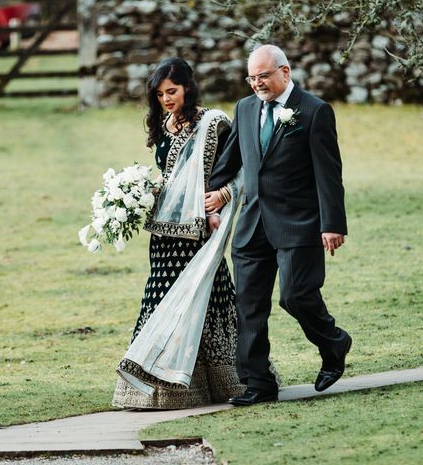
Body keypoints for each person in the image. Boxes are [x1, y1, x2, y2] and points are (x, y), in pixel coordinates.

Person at [207, 44, 352, 406]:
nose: (257, 84)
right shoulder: (244, 108)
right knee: (249, 305)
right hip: (252, 223)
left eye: (264, 76)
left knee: (295, 296)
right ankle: (258, 383)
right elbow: (230, 161)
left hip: (298, 222)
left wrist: (332, 224)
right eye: (252, 78)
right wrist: (204, 197)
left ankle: (334, 343)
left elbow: (329, 175)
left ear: (284, 72)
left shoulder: (315, 112)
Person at [112, 57, 245, 409]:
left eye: (172, 91)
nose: (166, 99)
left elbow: (241, 167)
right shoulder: (164, 125)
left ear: (188, 87)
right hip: (164, 234)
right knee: (160, 296)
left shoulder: (213, 123)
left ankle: (224, 380)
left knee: (207, 297)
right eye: (159, 94)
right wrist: (140, 194)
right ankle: (162, 389)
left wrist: (222, 196)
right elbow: (169, 178)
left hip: (200, 230)